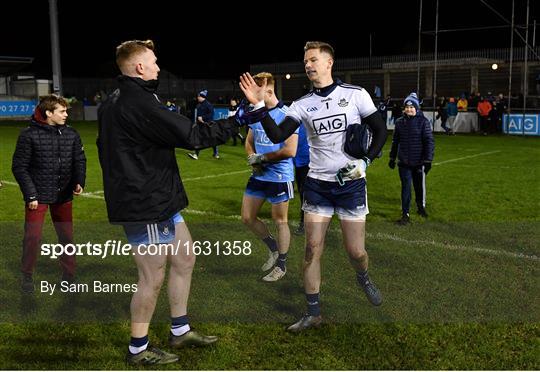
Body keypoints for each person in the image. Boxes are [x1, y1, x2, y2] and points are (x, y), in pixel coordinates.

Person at [97, 39, 240, 365]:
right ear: (139, 67)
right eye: (154, 61)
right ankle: (138, 349)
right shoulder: (139, 102)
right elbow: (194, 136)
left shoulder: (117, 100)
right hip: (145, 203)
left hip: (157, 198)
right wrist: (240, 119)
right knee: (152, 277)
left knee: (185, 258)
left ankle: (179, 329)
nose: (159, 67)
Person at [238, 41, 387, 332]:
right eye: (305, 61)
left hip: (351, 185)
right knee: (311, 250)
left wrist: (366, 162)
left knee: (355, 252)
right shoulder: (302, 105)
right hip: (318, 186)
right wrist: (258, 106)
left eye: (313, 59)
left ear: (329, 63)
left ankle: (364, 277)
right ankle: (313, 312)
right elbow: (278, 132)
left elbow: (380, 130)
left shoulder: (355, 95)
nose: (308, 65)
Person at [12, 94, 86, 293]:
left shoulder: (72, 134)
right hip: (38, 196)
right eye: (62, 111)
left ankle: (69, 276)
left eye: (66, 111)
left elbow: (79, 159)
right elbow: (19, 168)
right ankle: (27, 276)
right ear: (48, 113)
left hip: (63, 195)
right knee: (33, 237)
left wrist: (79, 181)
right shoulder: (28, 135)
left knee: (66, 237)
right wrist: (31, 195)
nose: (66, 115)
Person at [241, 72, 298, 282]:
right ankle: (273, 249)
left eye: (257, 92)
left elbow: (290, 150)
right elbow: (249, 141)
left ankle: (281, 265)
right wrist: (252, 158)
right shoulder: (256, 112)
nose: (252, 96)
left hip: (280, 177)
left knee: (280, 221)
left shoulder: (288, 114)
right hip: (260, 175)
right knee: (247, 217)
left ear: (269, 90)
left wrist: (261, 158)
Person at [388, 93, 435, 225]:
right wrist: (392, 157)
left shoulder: (423, 122)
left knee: (419, 187)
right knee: (406, 188)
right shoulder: (399, 123)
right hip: (404, 162)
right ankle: (405, 214)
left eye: (412, 106)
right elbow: (395, 141)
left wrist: (428, 160)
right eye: (407, 107)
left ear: (417, 108)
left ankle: (421, 207)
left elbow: (429, 141)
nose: (409, 109)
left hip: (419, 162)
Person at [188, 90, 219, 159]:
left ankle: (216, 153)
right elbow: (198, 115)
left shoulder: (208, 104)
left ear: (202, 97)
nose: (197, 98)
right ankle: (196, 155)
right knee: (199, 138)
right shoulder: (199, 104)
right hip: (200, 124)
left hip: (207, 124)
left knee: (212, 139)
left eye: (199, 96)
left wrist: (203, 118)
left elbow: (211, 114)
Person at [293, 123, 310, 236]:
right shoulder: (294, 115)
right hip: (299, 161)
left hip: (310, 160)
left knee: (306, 194)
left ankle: (305, 224)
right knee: (303, 194)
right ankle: (305, 223)